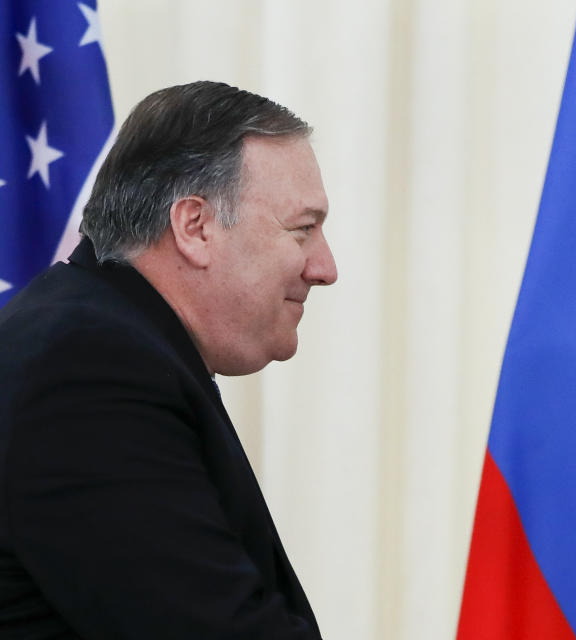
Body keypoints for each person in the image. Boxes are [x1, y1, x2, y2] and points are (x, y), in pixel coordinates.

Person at [0, 81, 336, 638]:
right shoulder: (89, 369)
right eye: (303, 230)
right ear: (195, 227)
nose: (325, 267)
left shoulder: (101, 337)